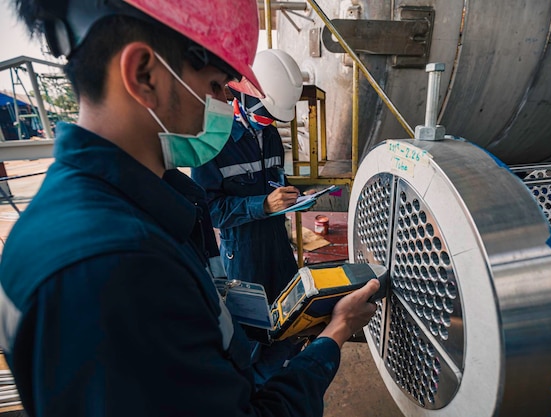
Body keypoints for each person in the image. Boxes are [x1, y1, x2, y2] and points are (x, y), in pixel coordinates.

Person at [0, 1, 380, 417]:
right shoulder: (114, 266)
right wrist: (336, 332)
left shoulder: (139, 215)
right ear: (145, 74)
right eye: (216, 85)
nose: (222, 103)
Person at [192, 49, 305, 388]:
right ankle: (256, 396)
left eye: (275, 118)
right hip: (242, 253)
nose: (270, 123)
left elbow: (272, 181)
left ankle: (288, 384)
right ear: (243, 91)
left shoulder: (269, 135)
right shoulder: (213, 141)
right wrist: (261, 205)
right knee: (252, 332)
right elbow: (209, 209)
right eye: (267, 114)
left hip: (277, 244)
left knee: (289, 317)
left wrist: (288, 196)